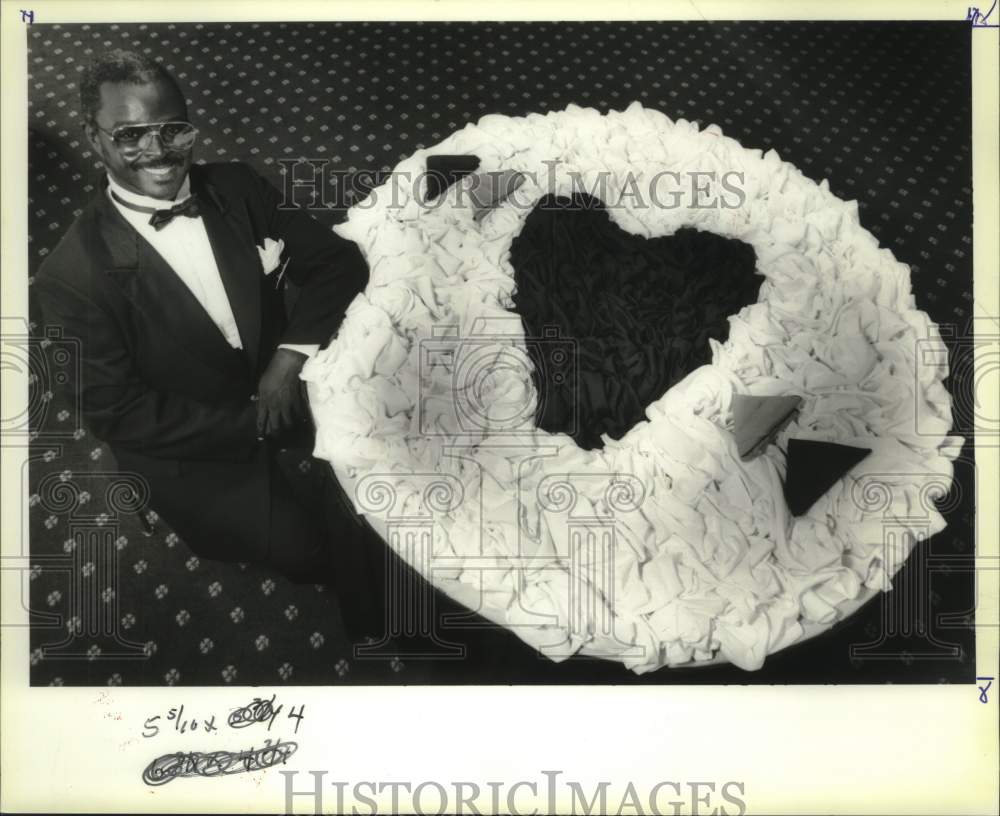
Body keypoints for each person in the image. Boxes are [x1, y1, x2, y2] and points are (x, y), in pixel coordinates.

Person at [33, 49, 381, 640]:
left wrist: (288, 358)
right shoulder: (70, 280)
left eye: (174, 129)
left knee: (385, 475)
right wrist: (255, 426)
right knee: (310, 551)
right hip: (188, 446)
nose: (160, 153)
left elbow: (337, 262)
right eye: (130, 136)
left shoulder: (236, 186)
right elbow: (120, 415)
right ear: (94, 140)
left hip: (280, 379)